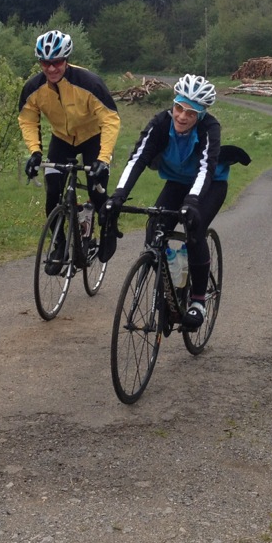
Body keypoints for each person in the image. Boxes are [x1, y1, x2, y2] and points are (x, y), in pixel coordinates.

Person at [103, 74, 246, 332]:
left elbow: (206, 168)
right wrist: (118, 196)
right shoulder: (160, 123)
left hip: (210, 184)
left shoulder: (209, 128)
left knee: (195, 230)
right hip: (177, 182)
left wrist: (192, 203)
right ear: (174, 104)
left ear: (201, 114)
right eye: (179, 108)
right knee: (154, 228)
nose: (182, 116)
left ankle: (198, 301)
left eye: (191, 113)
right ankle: (169, 283)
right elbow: (137, 159)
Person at [18, 29, 121, 274]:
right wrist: (35, 152)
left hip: (93, 137)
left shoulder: (89, 83)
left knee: (96, 190)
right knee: (53, 192)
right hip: (62, 139)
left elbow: (110, 119)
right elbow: (27, 119)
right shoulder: (34, 87)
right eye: (45, 63)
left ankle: (108, 229)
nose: (52, 68)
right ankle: (59, 246)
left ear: (66, 59)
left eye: (57, 62)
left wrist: (103, 158)